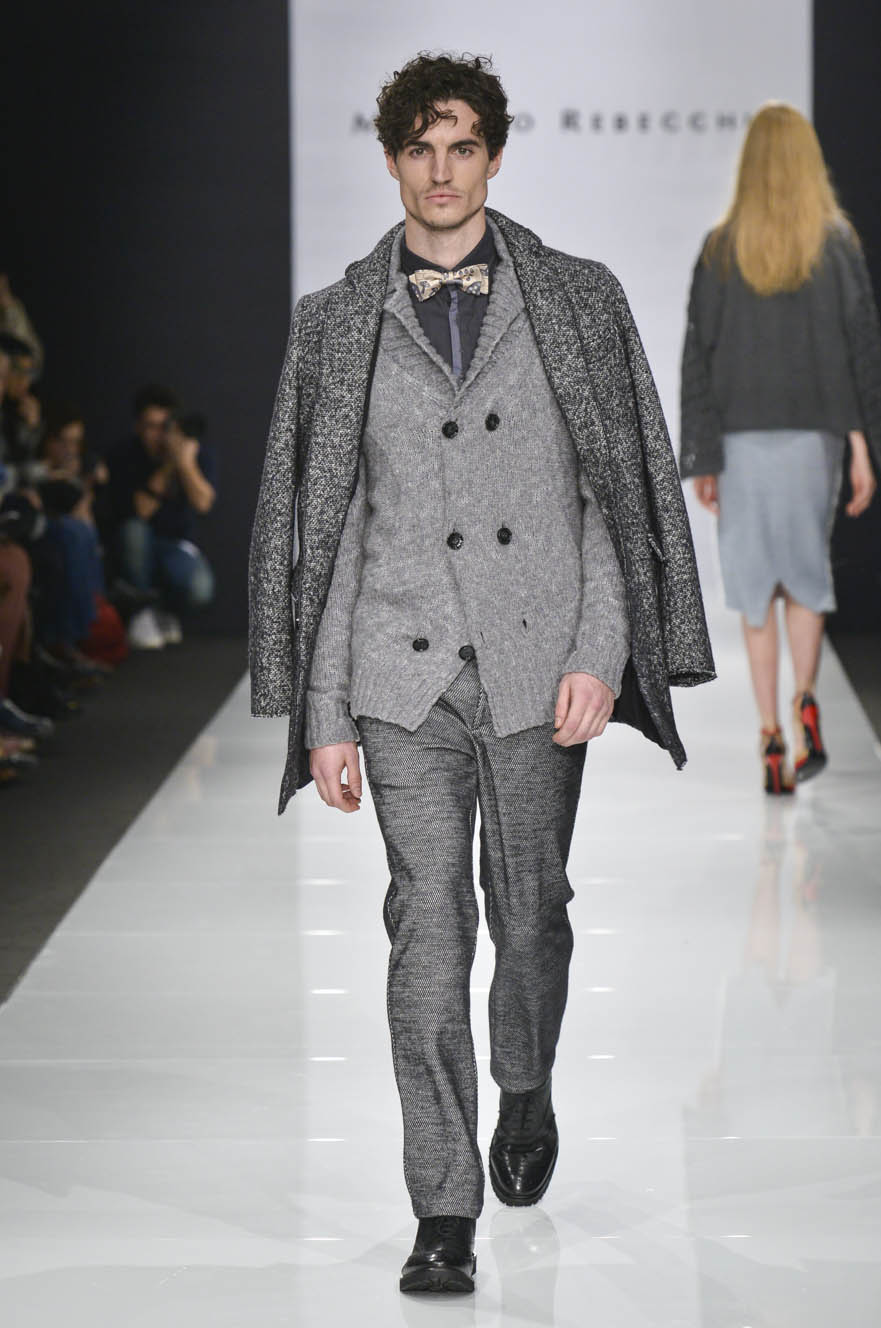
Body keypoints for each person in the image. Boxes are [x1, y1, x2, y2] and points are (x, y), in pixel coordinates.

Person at [249, 52, 714, 1296]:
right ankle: (442, 1204)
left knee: (530, 911)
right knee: (427, 925)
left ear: (494, 156)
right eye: (419, 147)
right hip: (397, 671)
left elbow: (611, 496)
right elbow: (330, 526)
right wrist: (323, 708)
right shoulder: (336, 320)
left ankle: (524, 1077)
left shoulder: (574, 298)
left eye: (462, 146)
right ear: (390, 160)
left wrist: (598, 652)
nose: (441, 170)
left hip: (534, 662)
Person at [680, 102, 881, 794]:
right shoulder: (835, 245)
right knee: (804, 577)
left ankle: (768, 734)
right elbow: (857, 354)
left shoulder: (720, 248)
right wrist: (861, 446)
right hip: (813, 442)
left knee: (755, 591)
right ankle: (806, 703)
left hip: (739, 443)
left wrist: (703, 455)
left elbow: (698, 357)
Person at [105, 388, 216, 648]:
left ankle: (163, 611)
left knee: (200, 588)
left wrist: (184, 463)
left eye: (164, 427)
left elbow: (203, 503)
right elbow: (141, 511)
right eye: (151, 427)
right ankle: (141, 612)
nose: (159, 435)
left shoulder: (194, 453)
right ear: (138, 427)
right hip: (132, 547)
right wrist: (168, 466)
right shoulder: (124, 455)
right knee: (135, 531)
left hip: (175, 545)